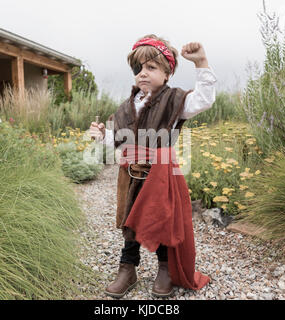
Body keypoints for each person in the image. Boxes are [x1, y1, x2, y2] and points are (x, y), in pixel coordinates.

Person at [89, 34, 218, 299]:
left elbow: (204, 99)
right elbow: (119, 140)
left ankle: (165, 268)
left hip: (160, 173)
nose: (143, 74)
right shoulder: (126, 108)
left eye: (151, 67)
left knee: (159, 218)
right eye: (138, 69)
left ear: (167, 74)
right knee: (130, 219)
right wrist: (103, 136)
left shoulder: (174, 100)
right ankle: (128, 268)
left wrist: (201, 62)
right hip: (130, 172)